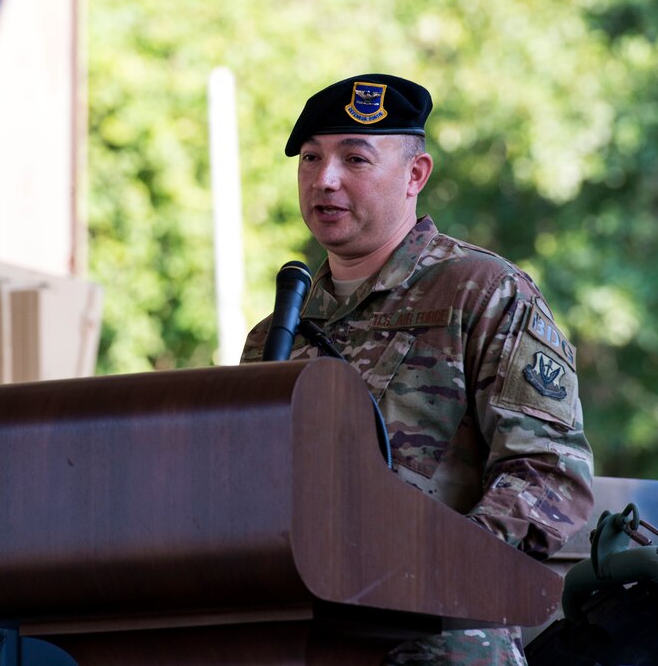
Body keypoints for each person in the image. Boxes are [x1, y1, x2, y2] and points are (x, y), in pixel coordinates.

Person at [241, 74, 595, 665]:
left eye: (355, 158)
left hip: (439, 639)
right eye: (310, 159)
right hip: (304, 638)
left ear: (415, 175)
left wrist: (434, 573)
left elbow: (549, 475)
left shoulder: (482, 293)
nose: (324, 179)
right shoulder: (275, 337)